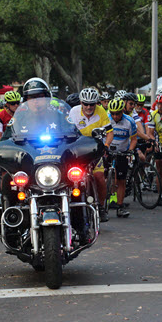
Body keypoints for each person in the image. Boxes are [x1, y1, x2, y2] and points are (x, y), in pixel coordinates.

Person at [68, 86, 114, 222]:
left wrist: (106, 145)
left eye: (92, 104)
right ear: (81, 103)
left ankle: (100, 206)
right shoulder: (73, 112)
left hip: (94, 150)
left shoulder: (101, 112)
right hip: (77, 150)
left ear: (96, 103)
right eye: (85, 104)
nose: (89, 107)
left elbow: (110, 133)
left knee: (99, 177)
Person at [107, 99, 137, 218]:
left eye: (118, 113)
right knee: (104, 178)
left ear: (122, 111)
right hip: (108, 152)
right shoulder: (106, 119)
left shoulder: (129, 121)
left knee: (121, 180)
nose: (115, 116)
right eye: (112, 113)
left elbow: (134, 139)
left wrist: (130, 151)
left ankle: (120, 207)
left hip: (122, 153)